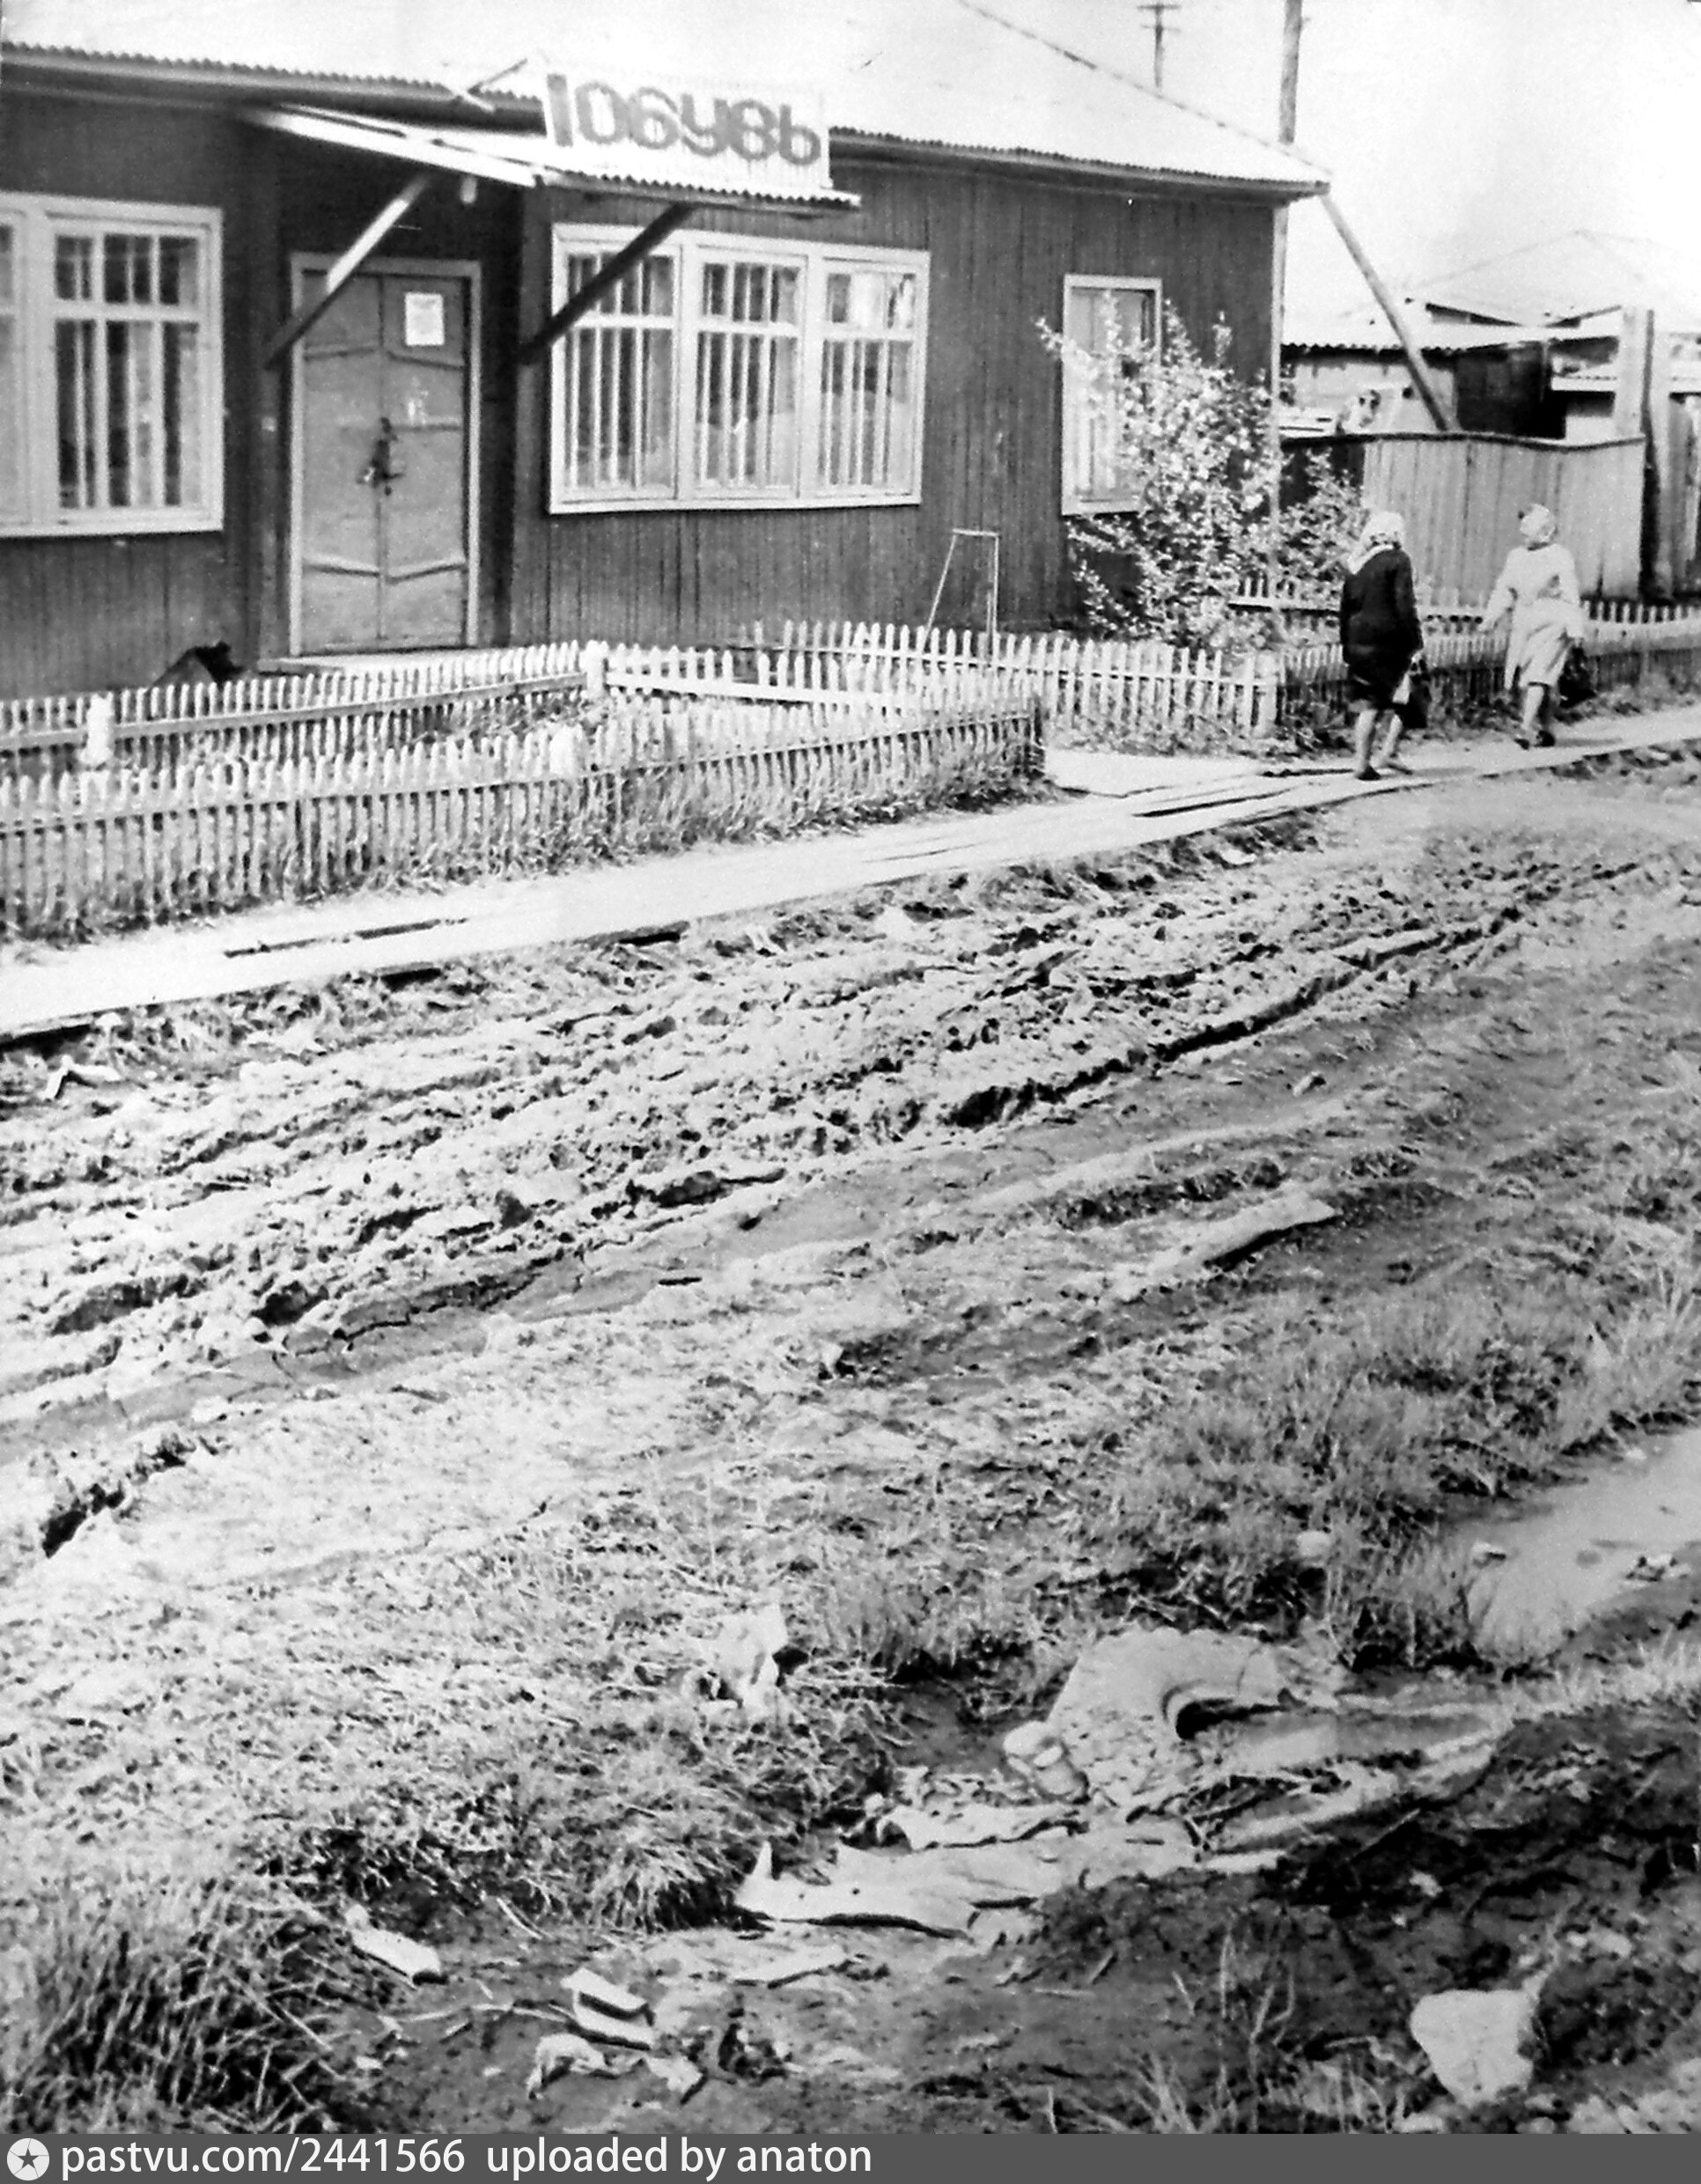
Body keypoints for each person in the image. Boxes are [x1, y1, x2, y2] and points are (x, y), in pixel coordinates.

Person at [1479, 504, 1585, 747]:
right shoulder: (1516, 556)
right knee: (1528, 679)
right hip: (1525, 622)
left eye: (1528, 525)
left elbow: (1571, 595)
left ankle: (1525, 728)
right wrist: (1491, 618)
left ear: (1546, 531)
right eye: (1522, 526)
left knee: (1538, 674)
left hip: (1553, 622)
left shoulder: (1560, 555)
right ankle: (1546, 729)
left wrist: (1575, 629)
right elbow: (1504, 589)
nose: (1522, 530)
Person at [1338, 510, 1424, 781]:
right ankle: (1381, 755)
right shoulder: (1398, 561)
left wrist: (1346, 644)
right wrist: (1416, 643)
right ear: (1396, 534)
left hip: (1358, 640)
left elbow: (1345, 609)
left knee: (1370, 701)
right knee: (1409, 694)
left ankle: (1369, 759)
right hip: (1389, 641)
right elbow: (1404, 604)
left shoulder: (1357, 564)